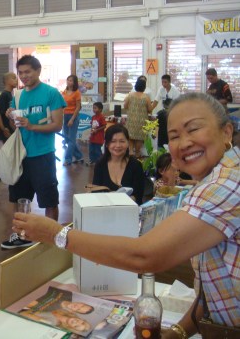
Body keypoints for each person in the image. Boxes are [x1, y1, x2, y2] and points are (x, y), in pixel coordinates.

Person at [13, 92, 239, 338]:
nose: (183, 143)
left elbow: (145, 255)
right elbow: (215, 288)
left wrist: (55, 233)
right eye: (174, 135)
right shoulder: (216, 180)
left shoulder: (227, 184)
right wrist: (179, 331)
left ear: (226, 132)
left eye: (194, 129)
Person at [0, 55, 65, 249]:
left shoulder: (51, 94)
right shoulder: (18, 96)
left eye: (27, 72)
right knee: (20, 199)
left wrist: (32, 126)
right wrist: (11, 117)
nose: (24, 76)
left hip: (43, 155)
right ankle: (21, 236)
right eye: (20, 73)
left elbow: (57, 125)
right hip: (21, 156)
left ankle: (51, 238)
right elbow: (16, 125)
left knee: (49, 200)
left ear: (38, 71)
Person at [92, 124, 146, 205]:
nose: (118, 145)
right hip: (105, 211)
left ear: (128, 143)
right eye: (113, 141)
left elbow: (138, 196)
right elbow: (95, 193)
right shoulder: (100, 165)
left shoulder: (135, 165)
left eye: (122, 141)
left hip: (129, 211)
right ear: (106, 144)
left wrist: (119, 202)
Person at [0, 72, 18, 187]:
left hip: (12, 128)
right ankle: (1, 174)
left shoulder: (11, 95)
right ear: (7, 81)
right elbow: (0, 113)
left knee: (11, 152)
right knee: (9, 152)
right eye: (13, 78)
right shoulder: (4, 95)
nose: (16, 79)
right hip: (6, 129)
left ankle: (0, 174)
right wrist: (3, 128)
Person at [124, 78, 152, 157]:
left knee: (130, 135)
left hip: (132, 119)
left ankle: (130, 151)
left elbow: (125, 106)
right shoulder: (146, 97)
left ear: (136, 86)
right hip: (142, 120)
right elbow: (149, 109)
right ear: (144, 87)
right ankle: (137, 152)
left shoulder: (130, 95)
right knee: (139, 137)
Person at [62, 74, 83, 165]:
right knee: (67, 139)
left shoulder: (77, 92)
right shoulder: (64, 92)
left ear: (74, 82)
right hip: (65, 116)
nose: (69, 82)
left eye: (71, 80)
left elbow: (78, 107)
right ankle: (78, 156)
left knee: (71, 139)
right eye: (68, 80)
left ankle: (68, 159)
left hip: (73, 116)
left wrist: (72, 119)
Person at [87, 101, 106, 166]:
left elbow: (104, 126)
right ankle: (92, 160)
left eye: (95, 108)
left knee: (97, 150)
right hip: (92, 137)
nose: (94, 110)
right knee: (91, 150)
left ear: (100, 109)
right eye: (93, 108)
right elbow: (91, 125)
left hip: (98, 138)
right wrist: (91, 133)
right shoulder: (93, 117)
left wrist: (97, 130)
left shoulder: (101, 117)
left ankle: (99, 162)